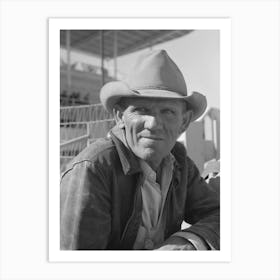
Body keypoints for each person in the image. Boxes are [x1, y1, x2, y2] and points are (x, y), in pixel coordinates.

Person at [60, 49, 220, 250]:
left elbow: (220, 215)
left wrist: (187, 243)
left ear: (184, 121)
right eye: (141, 110)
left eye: (168, 112)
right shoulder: (92, 170)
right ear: (120, 117)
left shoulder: (179, 164)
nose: (153, 124)